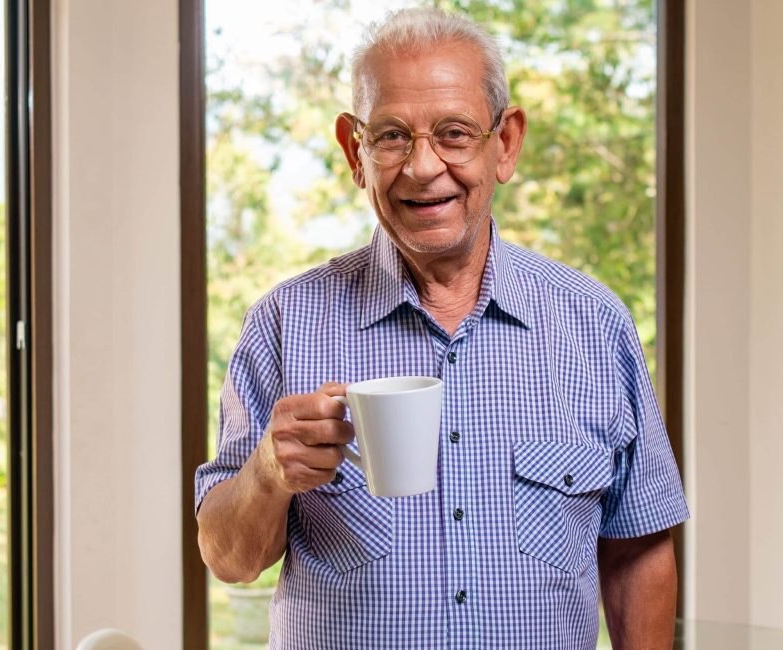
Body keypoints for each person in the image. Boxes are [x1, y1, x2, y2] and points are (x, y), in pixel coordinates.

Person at [195, 7, 689, 649]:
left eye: (454, 133)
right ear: (355, 151)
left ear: (505, 143)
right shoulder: (286, 322)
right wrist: (267, 472)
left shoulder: (594, 323)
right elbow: (229, 560)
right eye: (393, 136)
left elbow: (639, 550)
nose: (423, 167)